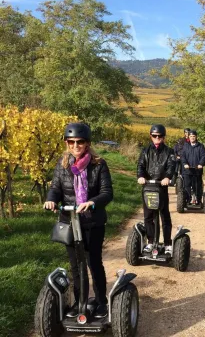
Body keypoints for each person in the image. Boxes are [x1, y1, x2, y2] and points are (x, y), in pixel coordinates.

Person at [44, 122, 113, 319]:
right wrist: (51, 199)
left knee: (93, 262)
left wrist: (92, 202)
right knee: (75, 266)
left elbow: (107, 193)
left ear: (87, 143)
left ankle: (101, 302)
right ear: (67, 142)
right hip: (70, 221)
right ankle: (79, 301)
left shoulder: (99, 164)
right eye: (71, 141)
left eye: (80, 142)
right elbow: (56, 187)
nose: (75, 145)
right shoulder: (63, 163)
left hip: (93, 222)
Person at [137, 124, 176, 254]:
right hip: (148, 186)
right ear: (151, 136)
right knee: (148, 216)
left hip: (161, 186)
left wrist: (167, 177)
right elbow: (141, 165)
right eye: (154, 136)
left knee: (164, 215)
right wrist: (141, 176)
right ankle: (150, 241)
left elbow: (171, 166)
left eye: (159, 136)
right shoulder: (145, 150)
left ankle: (167, 243)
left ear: (163, 137)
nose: (157, 138)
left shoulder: (169, 151)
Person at [181, 129, 205, 205]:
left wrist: (201, 164)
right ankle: (187, 200)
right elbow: (183, 156)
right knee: (187, 186)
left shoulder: (200, 146)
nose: (192, 137)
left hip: (197, 170)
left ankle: (198, 201)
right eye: (191, 136)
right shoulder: (186, 146)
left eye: (194, 136)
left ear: (196, 137)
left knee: (198, 186)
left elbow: (203, 156)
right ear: (188, 137)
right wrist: (185, 163)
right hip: (187, 170)